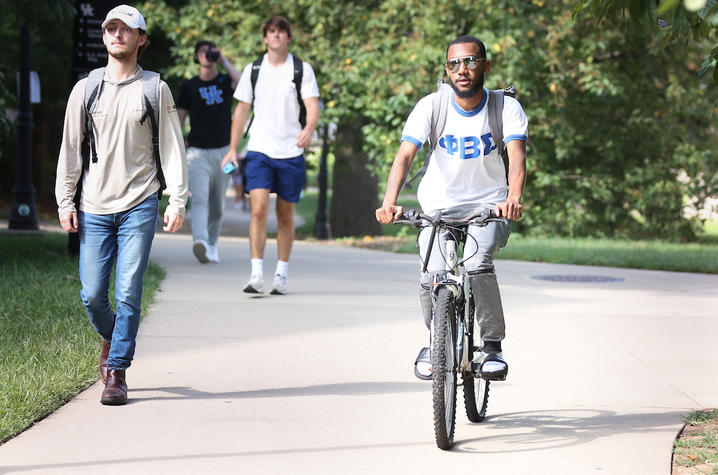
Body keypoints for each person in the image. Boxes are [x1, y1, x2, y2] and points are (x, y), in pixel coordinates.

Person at [55, 5, 188, 405]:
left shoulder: (155, 89)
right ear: (104, 36)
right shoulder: (86, 89)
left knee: (129, 290)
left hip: (140, 203)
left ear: (141, 39)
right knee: (92, 293)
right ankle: (116, 338)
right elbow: (70, 150)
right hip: (94, 205)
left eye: (125, 29)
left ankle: (116, 371)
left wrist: (176, 199)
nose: (117, 34)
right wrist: (65, 200)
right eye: (110, 28)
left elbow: (172, 149)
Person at [375, 35, 527, 381]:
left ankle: (491, 347)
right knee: (432, 271)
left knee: (476, 263)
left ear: (485, 66)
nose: (462, 69)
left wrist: (513, 197)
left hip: (490, 206)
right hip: (438, 208)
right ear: (447, 69)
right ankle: (435, 340)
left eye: (471, 62)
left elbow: (518, 158)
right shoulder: (431, 106)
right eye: (454, 63)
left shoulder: (506, 108)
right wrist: (389, 202)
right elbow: (405, 156)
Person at [222, 15, 319, 295]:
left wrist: (309, 129)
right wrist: (231, 149)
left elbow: (312, 105)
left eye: (281, 32)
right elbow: (241, 111)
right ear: (265, 37)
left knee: (285, 214)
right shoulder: (254, 69)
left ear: (288, 37)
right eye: (271, 32)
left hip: (291, 151)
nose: (276, 36)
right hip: (260, 150)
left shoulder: (301, 69)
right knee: (258, 209)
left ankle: (281, 274)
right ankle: (255, 274)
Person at [177, 40, 241, 263]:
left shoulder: (225, 81)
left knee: (218, 205)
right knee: (200, 199)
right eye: (202, 51)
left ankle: (212, 244)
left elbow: (242, 83)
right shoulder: (189, 86)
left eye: (210, 51)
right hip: (197, 152)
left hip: (224, 151)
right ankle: (201, 241)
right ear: (196, 56)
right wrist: (178, 141)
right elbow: (180, 117)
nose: (206, 55)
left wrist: (223, 59)